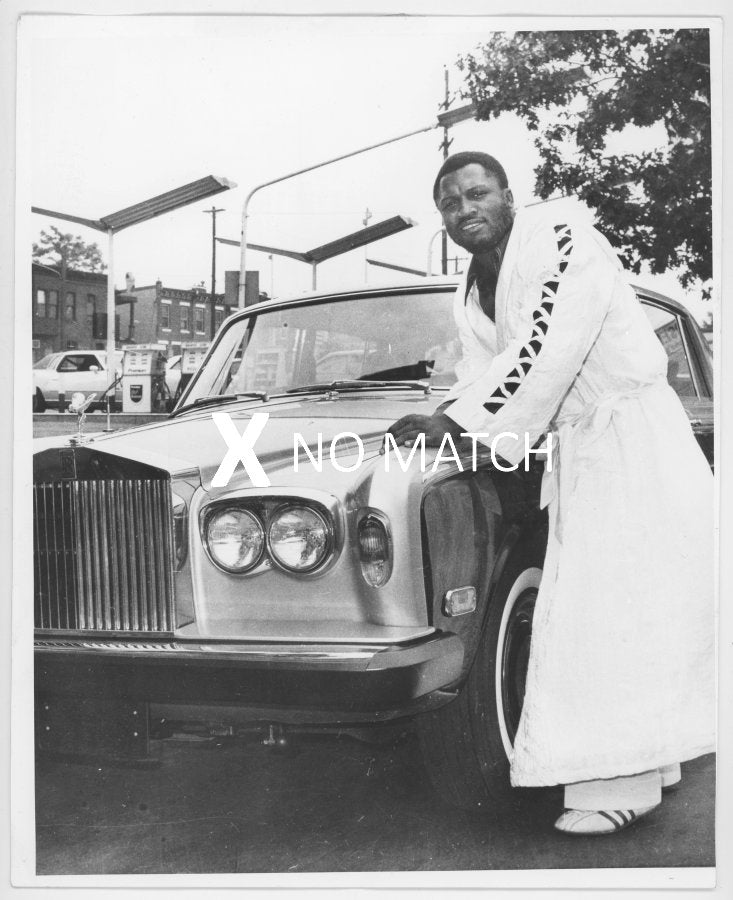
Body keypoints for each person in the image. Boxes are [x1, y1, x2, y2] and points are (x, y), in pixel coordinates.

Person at [388, 151, 714, 835]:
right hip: (583, 448)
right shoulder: (472, 285)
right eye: (449, 203)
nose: (463, 210)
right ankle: (643, 766)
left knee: (614, 610)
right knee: (610, 610)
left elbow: (545, 346)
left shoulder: (562, 236)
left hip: (631, 438)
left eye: (476, 194)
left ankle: (614, 784)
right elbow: (482, 368)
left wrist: (458, 422)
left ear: (509, 196)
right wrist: (452, 420)